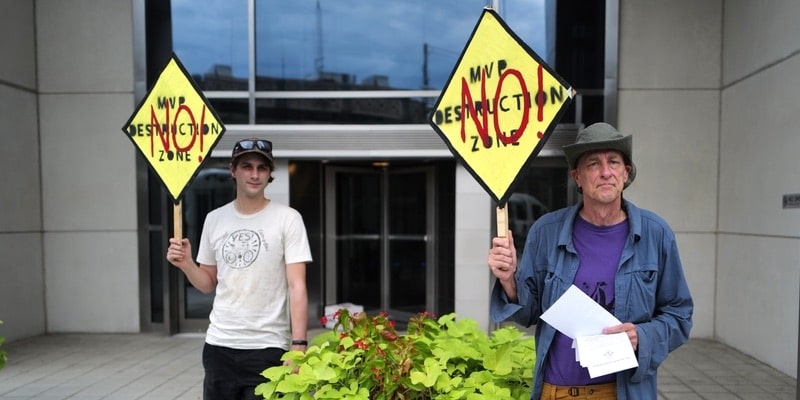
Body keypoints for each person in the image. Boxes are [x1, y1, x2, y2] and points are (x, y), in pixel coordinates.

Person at [488, 122, 693, 399]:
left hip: (622, 392)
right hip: (556, 391)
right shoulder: (546, 232)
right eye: (593, 164)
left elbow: (680, 314)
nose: (605, 172)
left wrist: (641, 336)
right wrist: (509, 279)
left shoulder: (656, 234)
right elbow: (529, 313)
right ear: (578, 177)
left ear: (626, 172)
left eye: (614, 162)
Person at [167, 138, 312, 400]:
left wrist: (298, 346)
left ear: (270, 175)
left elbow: (297, 286)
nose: (254, 174)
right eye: (247, 166)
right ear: (233, 171)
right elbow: (207, 283)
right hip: (219, 346)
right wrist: (187, 264)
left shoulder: (288, 219)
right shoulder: (215, 219)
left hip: (268, 348)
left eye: (261, 168)